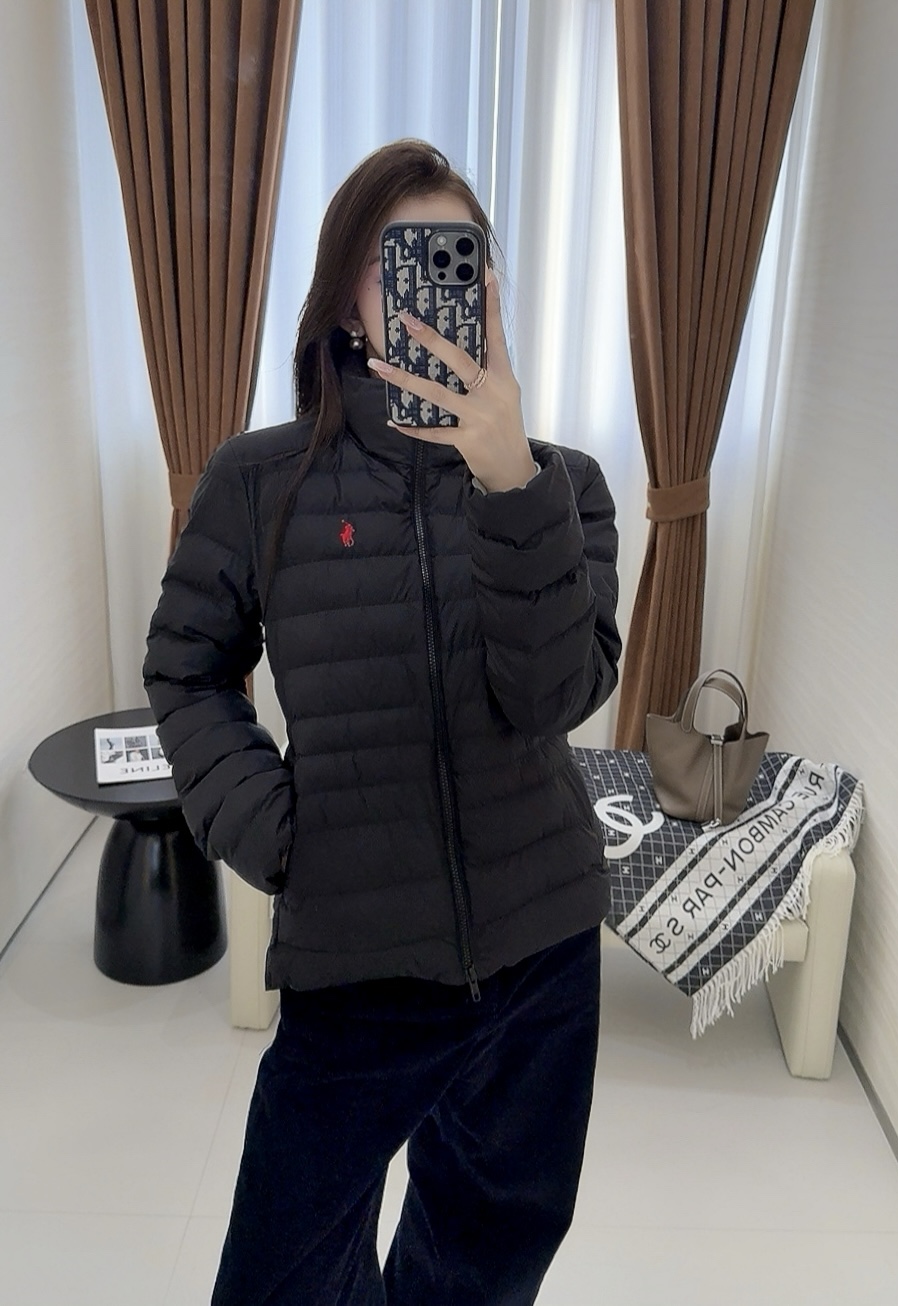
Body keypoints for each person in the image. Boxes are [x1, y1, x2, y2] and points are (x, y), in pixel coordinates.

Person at [143, 139, 621, 1306]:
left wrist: (509, 484)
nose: (430, 284)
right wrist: (282, 832)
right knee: (282, 1278)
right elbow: (186, 670)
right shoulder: (259, 482)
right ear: (348, 297)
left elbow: (556, 698)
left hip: (543, 952)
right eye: (395, 259)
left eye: (456, 257)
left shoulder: (563, 484)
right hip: (354, 961)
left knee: (483, 1262)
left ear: (488, 286)